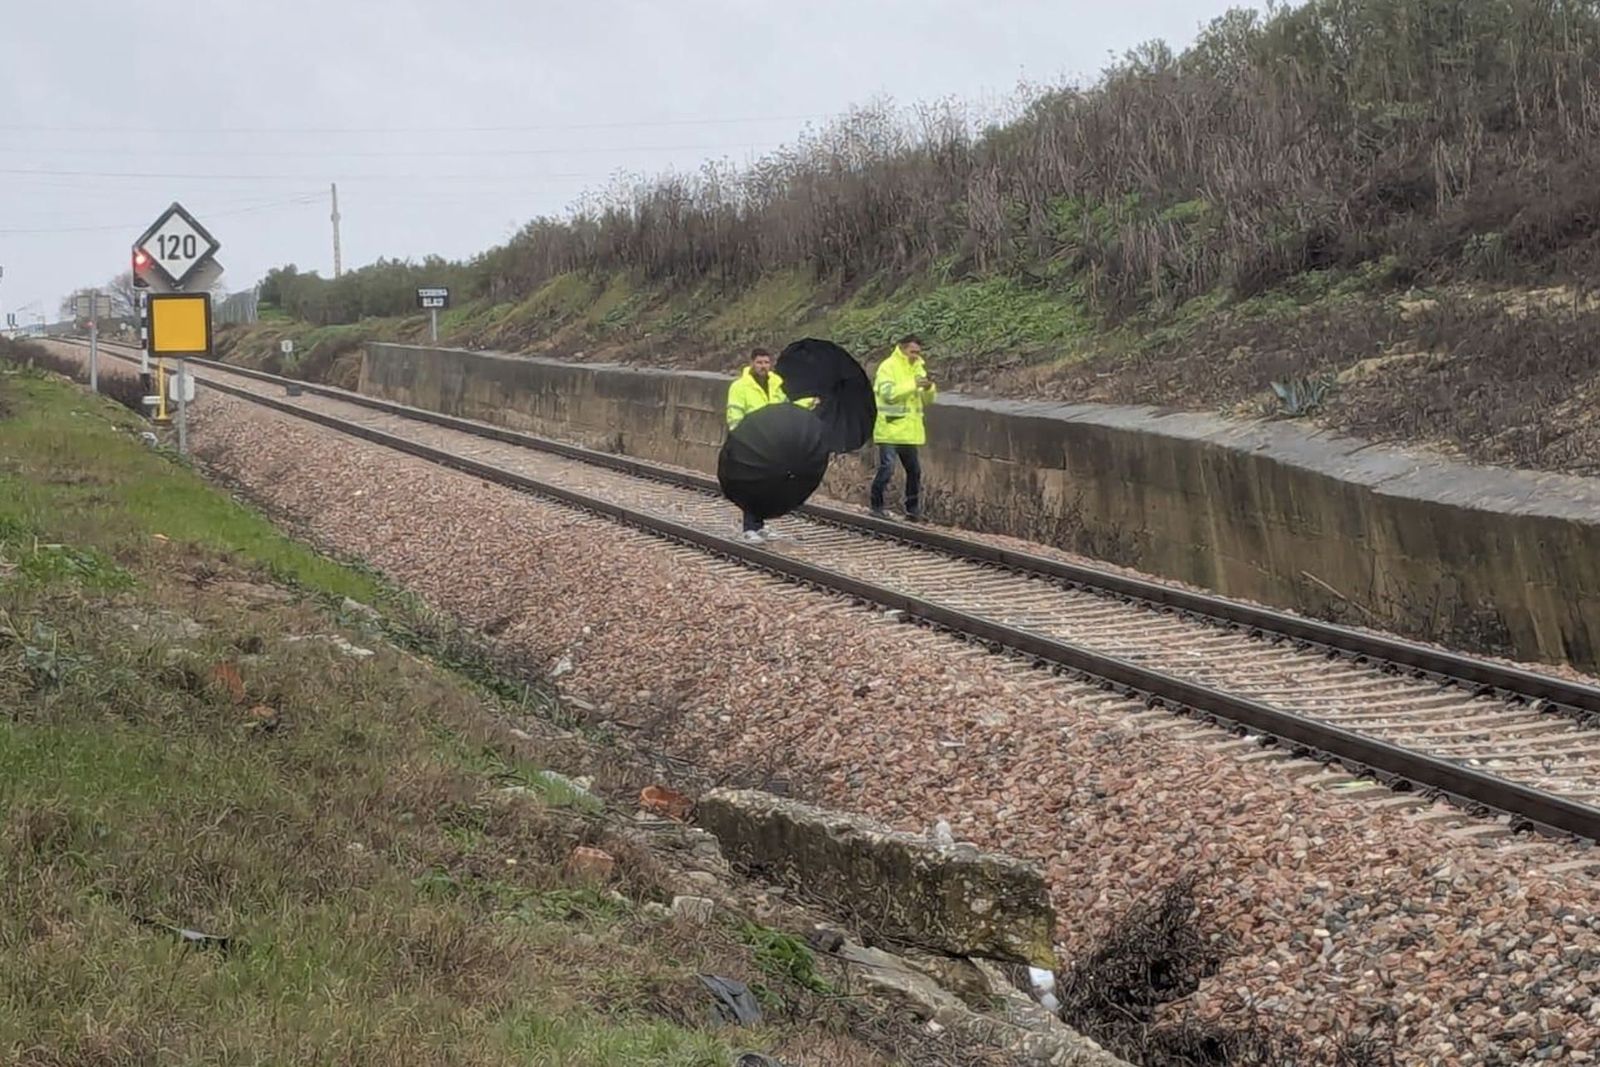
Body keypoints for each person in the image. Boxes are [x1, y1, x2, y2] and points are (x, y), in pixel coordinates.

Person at [870, 334, 936, 520]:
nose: (915, 355)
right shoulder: (888, 367)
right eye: (912, 351)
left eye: (918, 352)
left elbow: (927, 400)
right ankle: (876, 507)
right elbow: (888, 393)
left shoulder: (918, 367)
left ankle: (913, 510)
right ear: (902, 348)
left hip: (908, 432)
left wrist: (928, 388)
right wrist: (913, 384)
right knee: (887, 469)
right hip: (889, 429)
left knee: (914, 471)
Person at [725, 347, 789, 541]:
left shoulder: (777, 384)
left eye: (766, 363)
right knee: (751, 485)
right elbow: (734, 414)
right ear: (752, 363)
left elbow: (787, 407)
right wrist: (741, 438)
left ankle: (760, 525)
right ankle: (749, 528)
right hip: (751, 442)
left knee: (767, 485)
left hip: (771, 442)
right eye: (760, 363)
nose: (763, 366)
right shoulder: (740, 387)